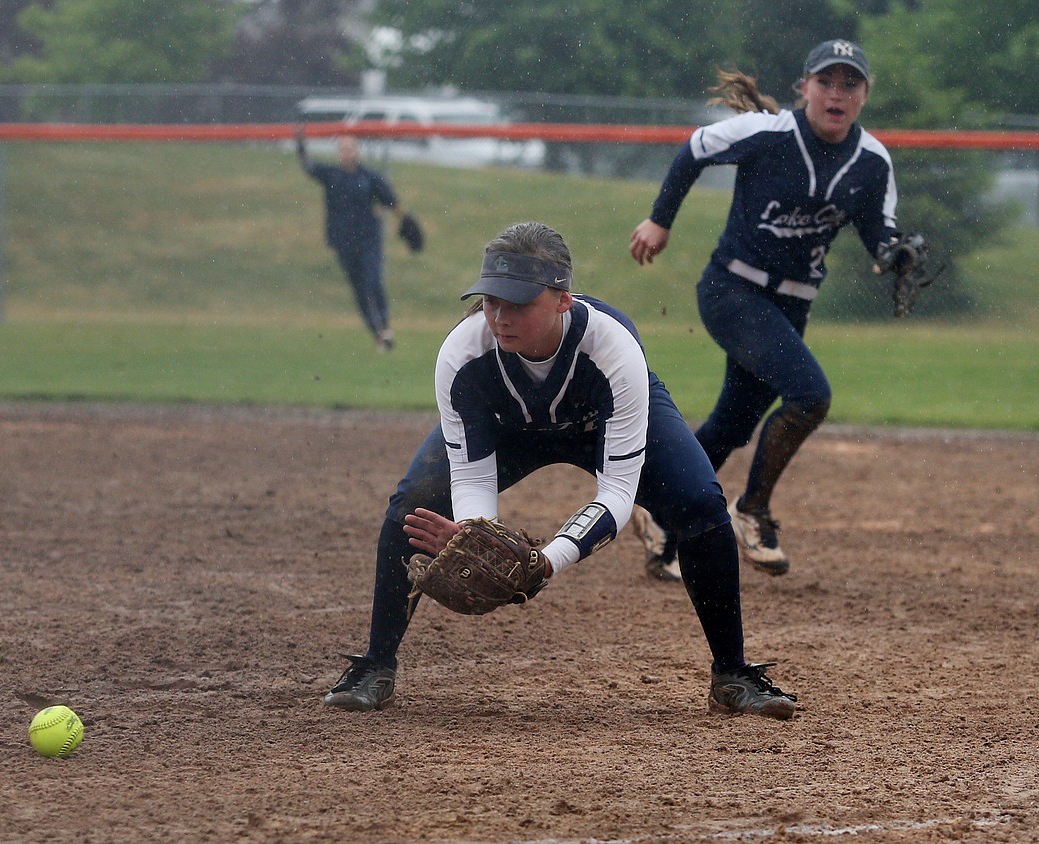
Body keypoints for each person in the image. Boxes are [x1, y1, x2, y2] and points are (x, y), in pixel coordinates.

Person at [323, 221, 797, 720]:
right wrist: (475, 536)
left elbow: (617, 491)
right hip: (510, 428)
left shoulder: (612, 350)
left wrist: (547, 561)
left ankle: (732, 673)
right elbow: (472, 476)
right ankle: (376, 664)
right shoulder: (463, 355)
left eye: (519, 303)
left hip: (599, 423)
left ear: (563, 300)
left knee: (701, 503)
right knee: (414, 505)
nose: (500, 317)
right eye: (491, 301)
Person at [629, 39, 900, 578]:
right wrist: (661, 219)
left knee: (732, 424)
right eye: (826, 81)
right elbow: (695, 150)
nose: (837, 93)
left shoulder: (872, 161)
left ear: (865, 95)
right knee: (809, 395)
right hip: (733, 291)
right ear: (805, 88)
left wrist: (895, 252)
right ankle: (751, 509)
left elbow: (879, 228)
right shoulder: (769, 133)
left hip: (790, 305)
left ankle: (659, 511)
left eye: (850, 83)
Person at [296, 131, 407, 352]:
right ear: (338, 153)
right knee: (358, 290)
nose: (346, 153)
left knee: (373, 282)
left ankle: (385, 327)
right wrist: (300, 145)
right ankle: (377, 335)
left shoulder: (368, 177)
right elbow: (309, 167)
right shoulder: (331, 175)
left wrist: (405, 221)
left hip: (368, 240)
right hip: (343, 242)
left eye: (350, 148)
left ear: (357, 151)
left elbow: (391, 201)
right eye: (343, 149)